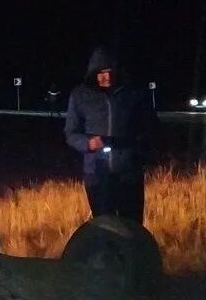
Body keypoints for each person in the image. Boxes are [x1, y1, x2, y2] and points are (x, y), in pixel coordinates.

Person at [64, 46, 159, 223]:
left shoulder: (134, 94)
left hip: (129, 175)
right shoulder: (80, 96)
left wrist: (138, 153)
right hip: (97, 176)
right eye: (101, 72)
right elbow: (71, 132)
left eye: (110, 71)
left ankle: (132, 252)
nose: (106, 77)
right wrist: (87, 143)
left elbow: (151, 128)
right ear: (93, 73)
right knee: (103, 226)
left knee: (131, 227)